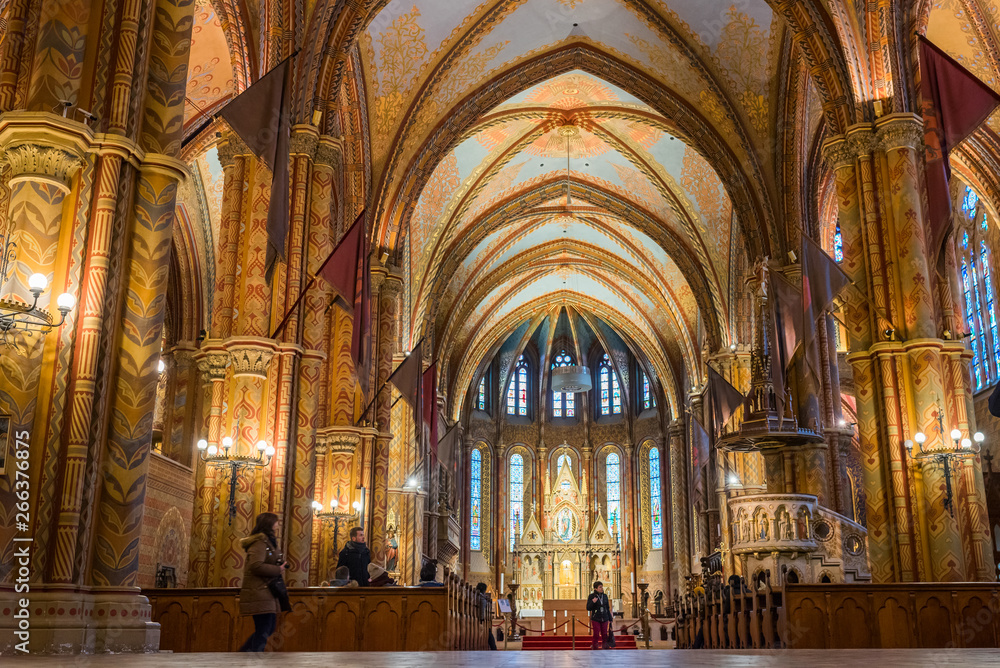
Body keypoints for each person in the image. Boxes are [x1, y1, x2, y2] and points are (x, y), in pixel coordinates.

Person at [238, 512, 285, 652]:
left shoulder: (268, 541)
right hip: (259, 591)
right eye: (276, 521)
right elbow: (255, 565)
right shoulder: (260, 542)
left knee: (268, 628)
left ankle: (245, 654)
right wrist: (278, 569)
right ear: (269, 523)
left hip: (265, 591)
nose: (278, 524)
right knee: (264, 628)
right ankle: (252, 657)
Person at [587, 580, 613, 650]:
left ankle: (605, 646)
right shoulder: (591, 596)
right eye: (600, 587)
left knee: (604, 633)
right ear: (595, 588)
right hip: (596, 617)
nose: (602, 588)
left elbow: (607, 607)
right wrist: (593, 602)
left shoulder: (605, 596)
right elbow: (588, 607)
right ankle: (595, 646)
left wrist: (610, 618)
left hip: (604, 617)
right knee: (596, 633)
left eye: (602, 587)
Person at [476, 583, 497, 650]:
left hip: (471, 619)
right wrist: (482, 620)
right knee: (489, 632)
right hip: (478, 621)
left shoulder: (472, 595)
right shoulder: (482, 598)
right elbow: (482, 611)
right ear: (484, 590)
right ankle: (494, 649)